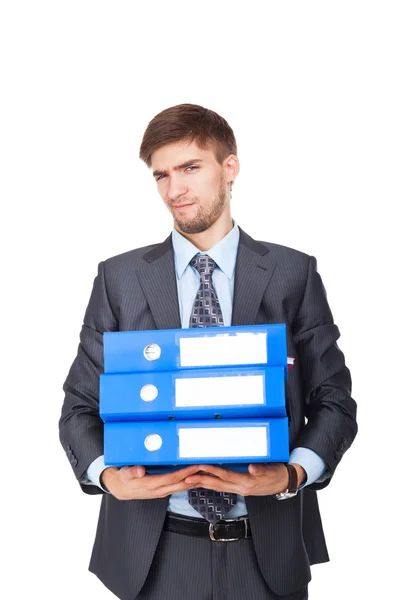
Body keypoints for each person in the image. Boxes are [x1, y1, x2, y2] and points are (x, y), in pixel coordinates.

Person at [59, 103, 358, 600]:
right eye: (162, 175)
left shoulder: (292, 274)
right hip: (152, 554)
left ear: (230, 167)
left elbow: (335, 402)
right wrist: (108, 476)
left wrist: (291, 473)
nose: (175, 189)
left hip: (267, 553)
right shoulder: (119, 279)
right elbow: (78, 408)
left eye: (190, 168)